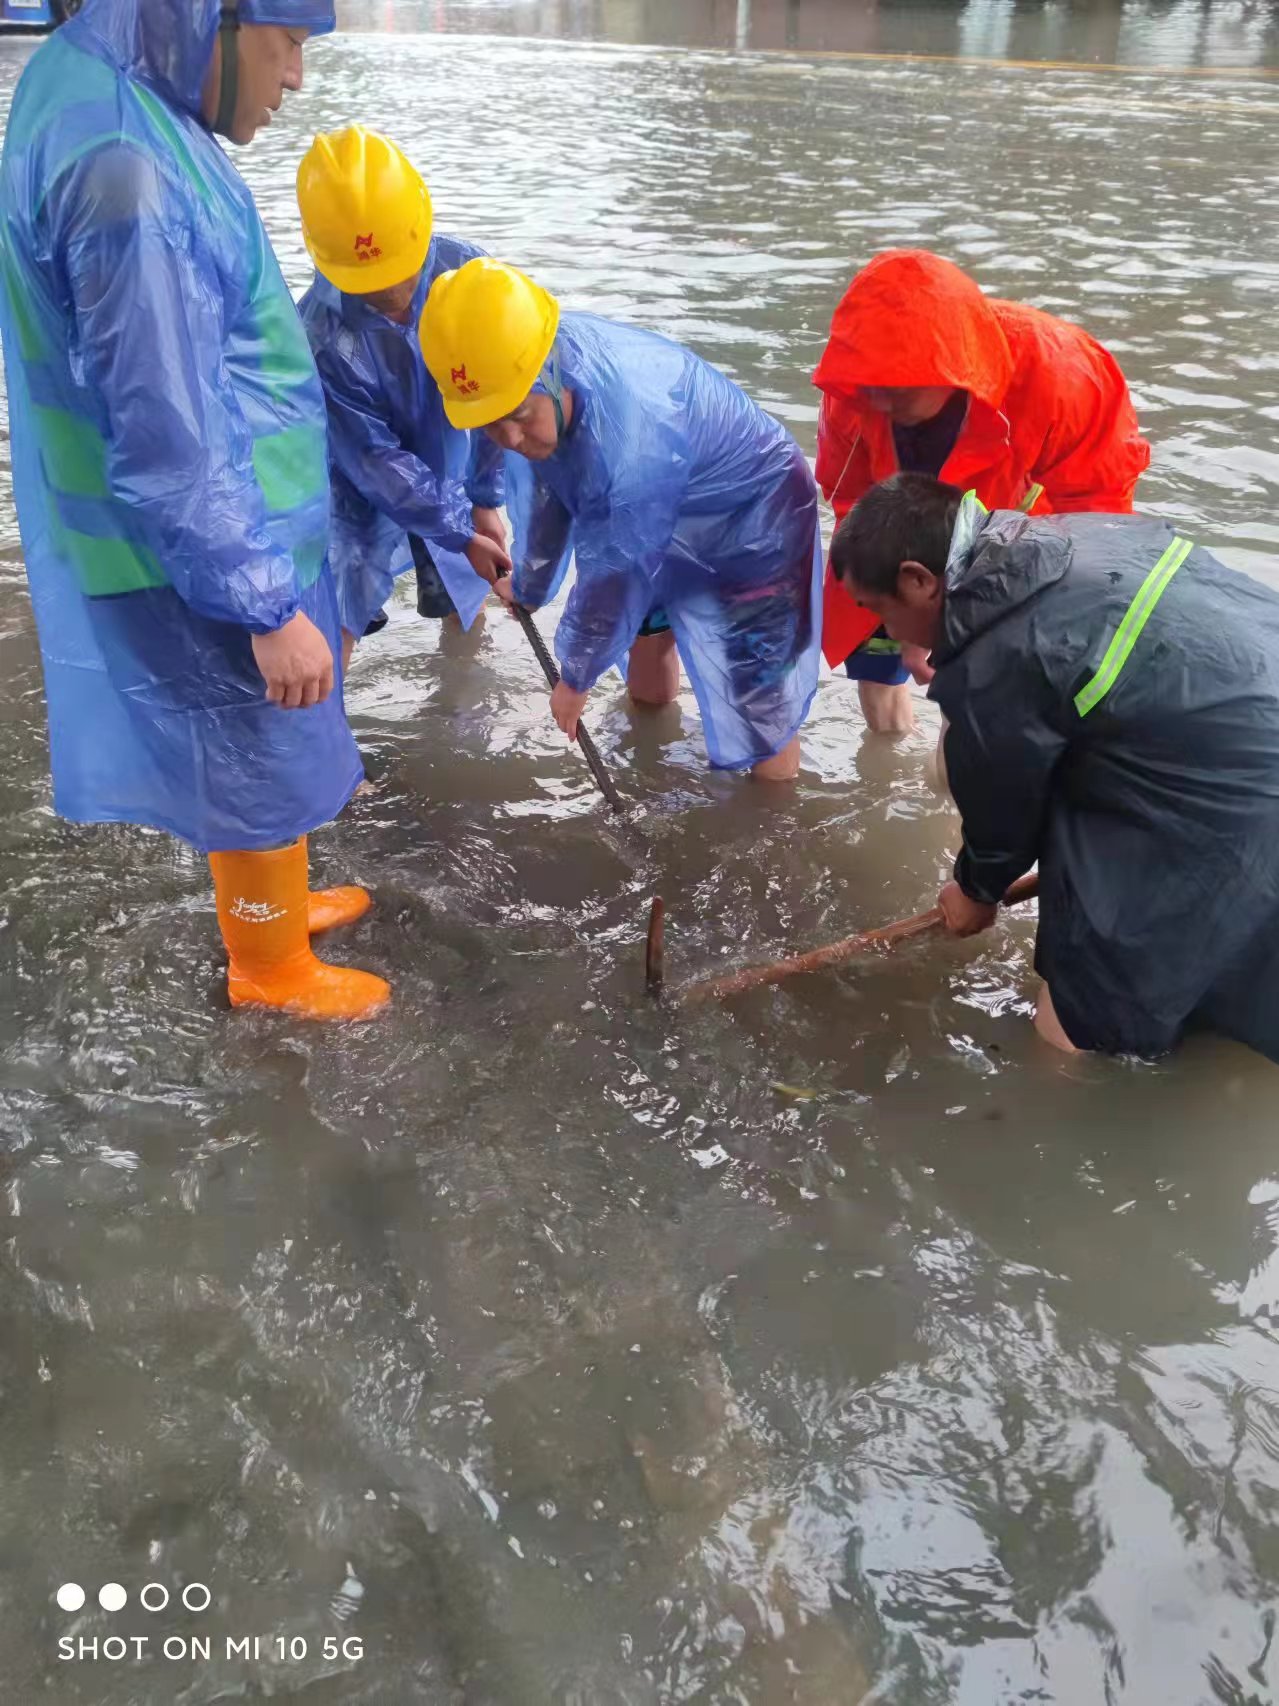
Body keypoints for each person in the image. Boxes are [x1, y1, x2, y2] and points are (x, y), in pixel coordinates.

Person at [0, 0, 389, 1020]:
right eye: (293, 43)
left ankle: (275, 907)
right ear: (220, 17)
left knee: (266, 749)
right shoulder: (126, 162)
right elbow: (165, 426)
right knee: (252, 750)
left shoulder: (117, 88)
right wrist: (261, 601)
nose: (297, 77)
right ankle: (267, 971)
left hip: (222, 521)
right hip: (204, 540)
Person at [831, 473, 1279, 1062]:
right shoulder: (1066, 537)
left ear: (918, 581)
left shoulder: (999, 655)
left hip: (1236, 795)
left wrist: (975, 890)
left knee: (1072, 1022)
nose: (886, 632)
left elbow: (1003, 808)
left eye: (878, 611)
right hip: (1241, 721)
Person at [418, 259, 824, 780]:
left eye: (519, 418)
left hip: (756, 512)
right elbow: (554, 491)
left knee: (757, 701)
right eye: (491, 426)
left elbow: (615, 571)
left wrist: (576, 678)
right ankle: (653, 763)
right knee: (647, 643)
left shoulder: (626, 443)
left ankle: (770, 828)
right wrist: (532, 584)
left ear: (549, 373)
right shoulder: (529, 377)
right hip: (668, 505)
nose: (511, 440)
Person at [814, 249, 1151, 735]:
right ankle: (888, 755)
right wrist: (903, 615)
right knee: (879, 663)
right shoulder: (854, 386)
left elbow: (1100, 522)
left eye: (897, 390)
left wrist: (954, 619)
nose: (877, 403)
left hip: (1018, 543)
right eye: (868, 388)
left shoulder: (1062, 373)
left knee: (985, 686)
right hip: (891, 537)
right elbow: (850, 497)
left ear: (952, 371)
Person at [296, 126, 510, 670]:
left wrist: (483, 500)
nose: (392, 295)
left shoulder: (468, 274)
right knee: (343, 589)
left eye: (400, 277)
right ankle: (325, 730)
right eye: (370, 284)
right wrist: (458, 532)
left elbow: (495, 397)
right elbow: (375, 460)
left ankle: (463, 694)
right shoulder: (322, 335)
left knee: (467, 588)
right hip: (355, 473)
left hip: (449, 450)